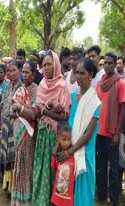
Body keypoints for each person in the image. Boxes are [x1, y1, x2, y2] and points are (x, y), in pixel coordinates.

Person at [32, 51, 71, 205]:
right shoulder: (42, 84)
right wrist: (48, 107)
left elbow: (64, 116)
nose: (46, 68)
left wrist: (44, 110)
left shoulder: (62, 85)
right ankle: (40, 201)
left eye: (49, 64)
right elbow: (38, 106)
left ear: (56, 65)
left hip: (55, 137)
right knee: (41, 170)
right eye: (44, 65)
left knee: (53, 172)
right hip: (42, 134)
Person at [62, 57, 100, 205]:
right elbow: (68, 125)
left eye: (82, 73)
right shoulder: (72, 97)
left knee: (83, 194)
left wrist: (69, 151)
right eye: (77, 72)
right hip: (69, 148)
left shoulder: (95, 102)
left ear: (91, 75)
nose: (78, 76)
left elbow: (88, 133)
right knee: (67, 191)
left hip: (84, 153)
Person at [96, 52, 125, 206]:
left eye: (109, 63)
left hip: (112, 133)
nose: (106, 65)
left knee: (113, 169)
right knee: (100, 166)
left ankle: (113, 200)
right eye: (104, 63)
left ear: (115, 64)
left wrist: (117, 133)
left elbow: (123, 108)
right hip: (99, 132)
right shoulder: (101, 82)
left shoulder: (120, 83)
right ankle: (101, 195)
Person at [11, 60, 38, 206]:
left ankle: (27, 199)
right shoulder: (20, 90)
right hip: (18, 131)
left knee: (27, 166)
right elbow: (11, 111)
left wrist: (20, 109)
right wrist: (19, 112)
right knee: (18, 164)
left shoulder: (36, 90)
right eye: (24, 72)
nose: (25, 75)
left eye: (28, 72)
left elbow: (33, 115)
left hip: (29, 133)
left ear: (34, 75)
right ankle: (18, 199)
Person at [0, 61, 22, 195]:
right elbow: (3, 104)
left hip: (16, 125)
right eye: (9, 70)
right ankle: (7, 184)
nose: (11, 73)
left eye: (14, 70)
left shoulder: (21, 87)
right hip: (6, 124)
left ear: (18, 70)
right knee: (6, 154)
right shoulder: (7, 86)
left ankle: (14, 187)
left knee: (14, 156)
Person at [51, 121, 75, 206]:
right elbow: (54, 170)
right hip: (57, 196)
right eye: (64, 139)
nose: (67, 143)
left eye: (69, 139)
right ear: (58, 138)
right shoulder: (56, 155)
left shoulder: (73, 155)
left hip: (68, 198)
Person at [0, 64, 9, 179]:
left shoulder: (7, 85)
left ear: (5, 74)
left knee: (2, 140)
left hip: (3, 115)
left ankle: (1, 165)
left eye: (1, 72)